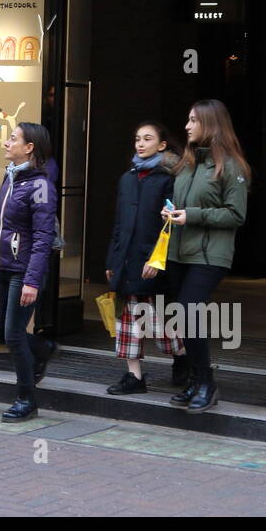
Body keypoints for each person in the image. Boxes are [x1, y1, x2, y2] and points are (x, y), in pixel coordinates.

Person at [162, 99, 249, 414]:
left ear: (211, 124)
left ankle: (206, 382)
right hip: (179, 252)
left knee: (188, 313)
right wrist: (171, 212)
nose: (186, 126)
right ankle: (197, 381)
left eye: (193, 120)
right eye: (188, 119)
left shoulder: (230, 166)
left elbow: (236, 215)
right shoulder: (187, 165)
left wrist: (193, 215)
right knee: (183, 318)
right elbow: (181, 202)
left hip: (210, 255)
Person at [0, 121, 59, 422]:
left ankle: (26, 399)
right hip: (2, 267)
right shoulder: (10, 177)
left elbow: (43, 238)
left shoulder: (41, 186)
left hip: (24, 271)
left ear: (29, 148)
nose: (6, 143)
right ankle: (41, 348)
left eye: (12, 139)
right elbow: (2, 226)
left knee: (14, 335)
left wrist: (32, 280)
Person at [104, 121, 186, 395]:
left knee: (162, 320)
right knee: (127, 320)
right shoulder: (127, 178)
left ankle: (182, 359)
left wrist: (157, 259)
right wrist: (111, 261)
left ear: (162, 145)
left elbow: (172, 225)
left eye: (147, 138)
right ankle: (134, 377)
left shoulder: (169, 178)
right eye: (137, 138)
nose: (140, 143)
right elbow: (118, 223)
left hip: (155, 261)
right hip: (126, 261)